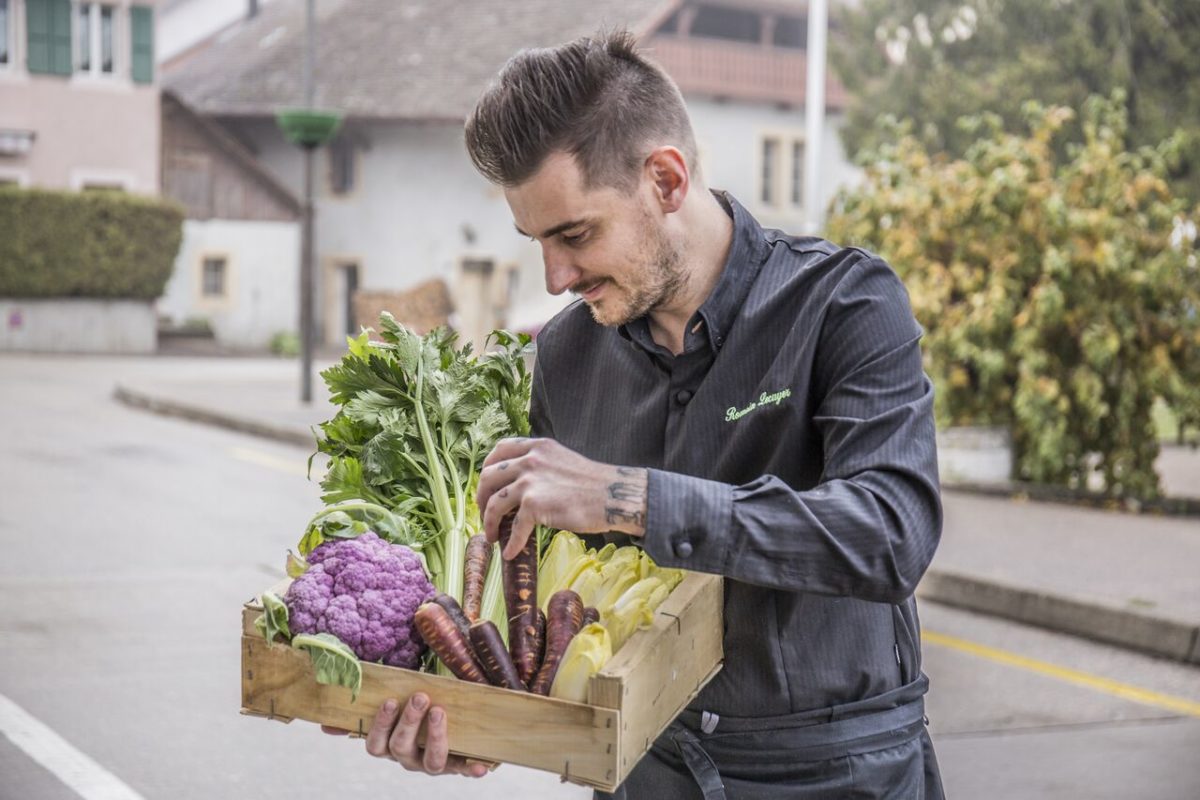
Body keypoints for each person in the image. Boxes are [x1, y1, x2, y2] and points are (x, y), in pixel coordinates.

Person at [355, 29, 945, 798]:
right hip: (642, 768)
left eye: (575, 234)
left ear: (666, 179)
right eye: (536, 240)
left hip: (833, 771)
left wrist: (629, 497)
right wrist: (480, 718)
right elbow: (563, 618)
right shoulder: (566, 357)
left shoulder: (844, 303)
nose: (556, 275)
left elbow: (890, 535)